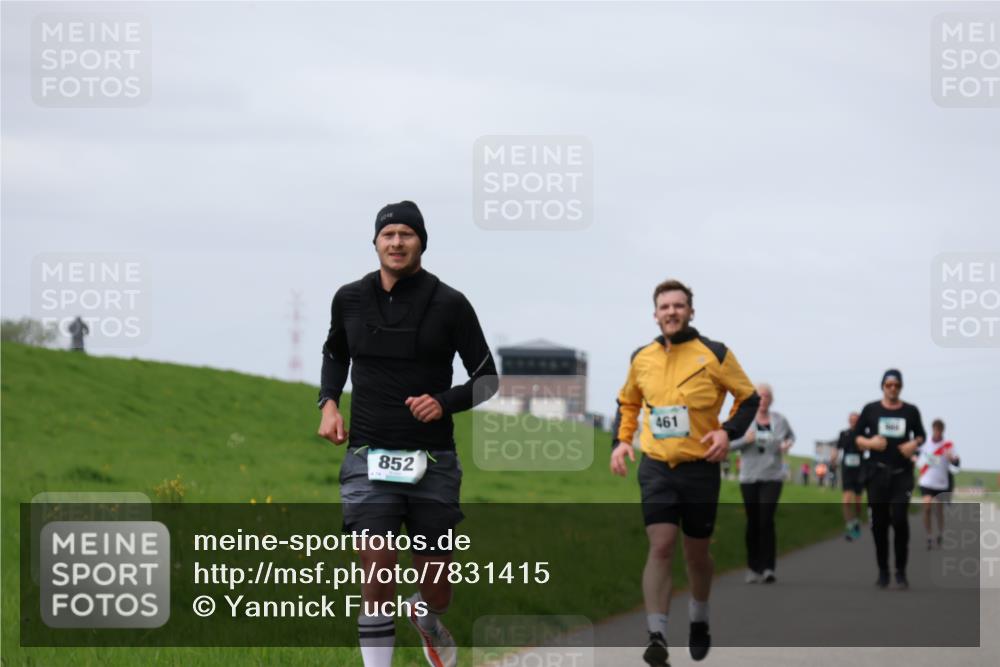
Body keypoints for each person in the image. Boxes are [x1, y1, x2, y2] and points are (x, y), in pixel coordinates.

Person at [316, 200, 499, 667]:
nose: (396, 242)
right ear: (376, 242)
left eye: (406, 234)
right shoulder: (350, 298)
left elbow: (486, 376)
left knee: (437, 587)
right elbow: (335, 352)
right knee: (377, 571)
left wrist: (444, 401)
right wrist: (329, 403)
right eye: (388, 234)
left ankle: (426, 615)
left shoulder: (450, 303)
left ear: (422, 242)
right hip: (368, 456)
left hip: (432, 461)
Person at [610, 279, 759, 667]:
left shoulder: (714, 353)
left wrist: (727, 433)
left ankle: (699, 617)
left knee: (697, 555)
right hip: (657, 466)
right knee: (660, 545)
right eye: (664, 307)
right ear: (655, 314)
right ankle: (656, 634)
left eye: (679, 306)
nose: (671, 312)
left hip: (699, 469)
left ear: (691, 311)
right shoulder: (641, 357)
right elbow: (628, 402)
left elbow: (749, 398)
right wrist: (622, 441)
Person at [853, 369, 925, 590]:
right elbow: (857, 438)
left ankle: (901, 571)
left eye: (896, 385)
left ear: (901, 387)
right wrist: (870, 443)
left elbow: (921, 435)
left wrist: (914, 444)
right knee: (880, 524)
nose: (893, 389)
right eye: (889, 385)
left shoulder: (910, 411)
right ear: (882, 386)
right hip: (877, 474)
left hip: (901, 474)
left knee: (900, 519)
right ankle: (883, 571)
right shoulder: (871, 409)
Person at [730, 383, 794, 584]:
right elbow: (729, 444)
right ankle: (752, 567)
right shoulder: (744, 420)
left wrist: (787, 443)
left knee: (766, 519)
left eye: (766, 396)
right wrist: (745, 440)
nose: (763, 399)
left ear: (771, 399)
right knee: (753, 522)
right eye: (759, 396)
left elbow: (790, 436)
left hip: (772, 476)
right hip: (749, 477)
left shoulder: (779, 420)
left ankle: (768, 568)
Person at [917, 419, 960, 550]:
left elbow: (957, 463)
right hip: (926, 481)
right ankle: (929, 536)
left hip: (941, 484)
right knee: (927, 506)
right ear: (933, 429)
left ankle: (940, 532)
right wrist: (914, 458)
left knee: (938, 510)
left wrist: (952, 459)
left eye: (939, 430)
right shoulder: (926, 442)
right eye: (935, 430)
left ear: (942, 431)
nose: (937, 432)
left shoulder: (948, 445)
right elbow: (915, 452)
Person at [832, 412, 865, 541]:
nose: (853, 422)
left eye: (856, 420)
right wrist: (833, 458)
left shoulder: (863, 434)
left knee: (857, 500)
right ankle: (850, 525)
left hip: (860, 470)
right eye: (851, 420)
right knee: (846, 500)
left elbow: (868, 448)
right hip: (847, 469)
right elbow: (837, 448)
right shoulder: (843, 434)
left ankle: (856, 521)